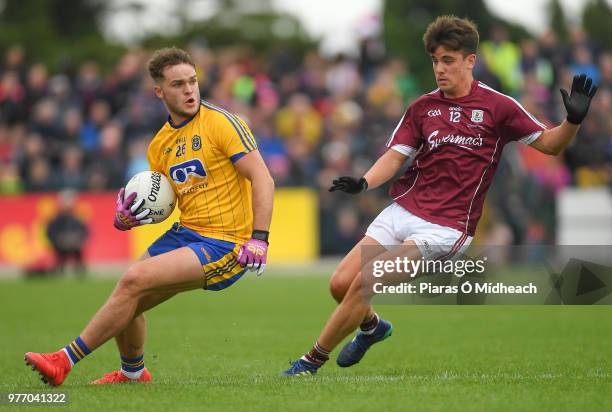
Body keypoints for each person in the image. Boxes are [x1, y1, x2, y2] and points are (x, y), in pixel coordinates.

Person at [282, 15, 597, 376]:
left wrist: (572, 122)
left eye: (448, 60)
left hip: (445, 229)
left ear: (470, 61)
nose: (439, 69)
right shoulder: (422, 107)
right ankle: (373, 327)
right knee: (340, 283)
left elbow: (551, 145)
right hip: (403, 210)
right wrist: (365, 182)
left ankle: (310, 362)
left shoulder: (499, 107)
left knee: (367, 279)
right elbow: (396, 155)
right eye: (435, 61)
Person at [25, 47, 275, 386]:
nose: (189, 90)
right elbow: (167, 202)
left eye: (193, 81)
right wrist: (135, 217)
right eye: (178, 84)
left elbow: (263, 178)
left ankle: (63, 360)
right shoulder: (159, 146)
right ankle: (133, 374)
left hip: (226, 242)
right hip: (186, 232)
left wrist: (259, 239)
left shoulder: (222, 123)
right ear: (159, 91)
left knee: (133, 281)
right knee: (129, 294)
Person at [46, 190, 89, 276]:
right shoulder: (56, 219)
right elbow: (50, 233)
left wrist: (77, 239)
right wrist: (59, 240)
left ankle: (79, 270)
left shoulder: (77, 218)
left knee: (77, 251)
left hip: (74, 244)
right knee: (61, 253)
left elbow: (85, 232)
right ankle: (60, 270)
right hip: (60, 245)